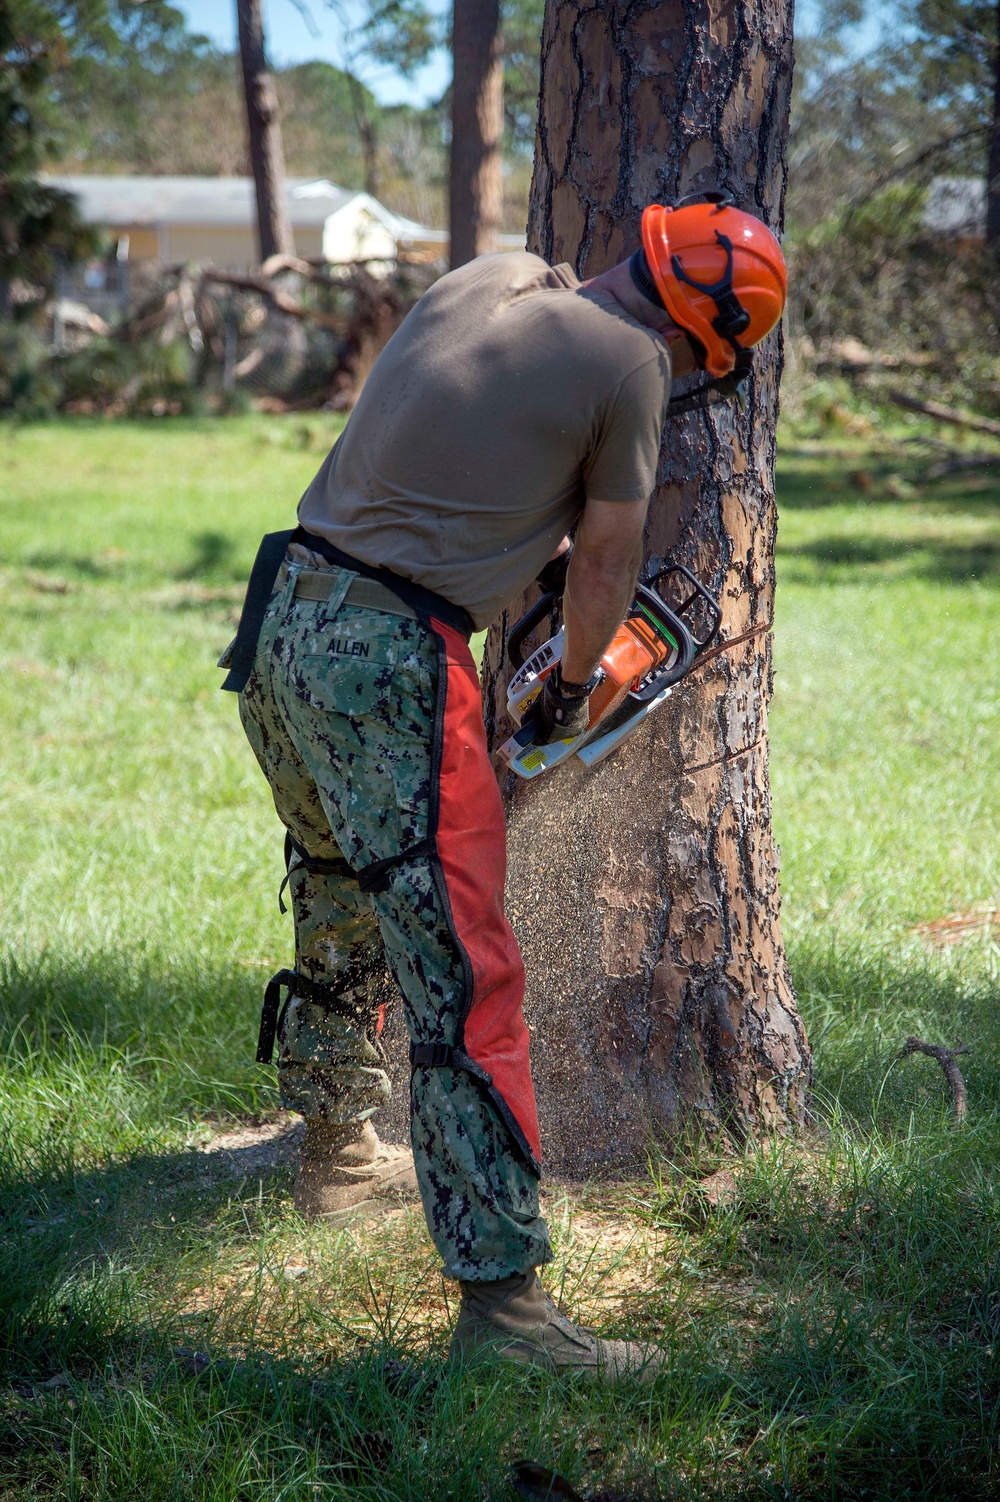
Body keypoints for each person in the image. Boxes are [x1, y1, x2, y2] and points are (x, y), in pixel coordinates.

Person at [220, 193, 787, 1377]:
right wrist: (575, 684)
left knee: (341, 888)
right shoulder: (635, 360)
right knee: (468, 969)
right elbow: (613, 554)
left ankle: (332, 1150)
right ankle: (508, 1309)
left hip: (285, 618)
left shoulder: (499, 275)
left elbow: (474, 450)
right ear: (700, 337)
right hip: (391, 656)